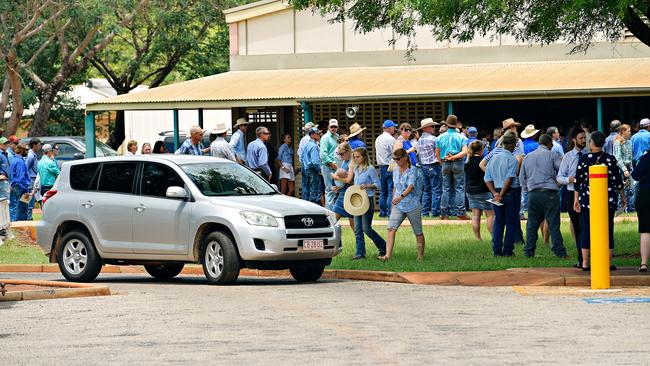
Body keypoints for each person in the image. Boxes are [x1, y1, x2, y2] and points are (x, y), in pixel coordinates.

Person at [574, 131, 626, 271]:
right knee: (608, 228)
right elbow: (617, 180)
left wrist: (576, 199)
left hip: (587, 198)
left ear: (591, 143)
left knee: (586, 229)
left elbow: (578, 181)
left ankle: (585, 262)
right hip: (607, 199)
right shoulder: (610, 159)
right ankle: (607, 263)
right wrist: (623, 196)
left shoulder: (584, 159)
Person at [519, 134, 567, 258]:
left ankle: (529, 251)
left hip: (533, 193)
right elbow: (562, 171)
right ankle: (559, 252)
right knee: (553, 224)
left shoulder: (528, 157)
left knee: (532, 224)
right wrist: (558, 185)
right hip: (550, 192)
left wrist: (527, 190)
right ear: (550, 144)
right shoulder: (552, 155)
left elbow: (521, 178)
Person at [379, 148, 424, 262]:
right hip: (398, 205)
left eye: (398, 159)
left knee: (417, 232)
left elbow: (411, 186)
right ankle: (387, 256)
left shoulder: (412, 170)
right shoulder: (395, 170)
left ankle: (420, 256)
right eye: (394, 159)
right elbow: (395, 187)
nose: (396, 161)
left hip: (412, 204)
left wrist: (400, 197)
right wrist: (394, 201)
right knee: (390, 228)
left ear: (405, 158)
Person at [484, 131, 519, 257]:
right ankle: (508, 250)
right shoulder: (512, 159)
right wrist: (502, 194)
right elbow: (509, 179)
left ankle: (496, 250)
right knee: (510, 223)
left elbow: (487, 178)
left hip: (496, 191)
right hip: (509, 192)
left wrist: (495, 193)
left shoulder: (493, 158)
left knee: (499, 221)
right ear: (513, 145)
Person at [557, 128, 588, 268]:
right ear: (574, 140)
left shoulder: (588, 155)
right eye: (581, 138)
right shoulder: (568, 156)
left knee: (586, 226)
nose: (583, 141)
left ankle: (586, 258)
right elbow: (559, 177)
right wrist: (569, 179)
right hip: (571, 193)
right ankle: (580, 258)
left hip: (587, 194)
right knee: (577, 226)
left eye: (585, 138)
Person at [436, 114, 469, 220]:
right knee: (459, 188)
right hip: (458, 162)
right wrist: (454, 157)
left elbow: (437, 153)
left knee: (446, 188)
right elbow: (465, 152)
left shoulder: (440, 137)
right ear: (456, 125)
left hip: (445, 162)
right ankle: (460, 213)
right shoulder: (461, 137)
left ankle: (444, 213)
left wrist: (443, 162)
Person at [465, 140, 494, 240]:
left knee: (475, 215)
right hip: (484, 190)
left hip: (471, 190)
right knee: (490, 215)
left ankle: (478, 238)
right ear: (481, 149)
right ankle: (493, 237)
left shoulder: (468, 162)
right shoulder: (484, 162)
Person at [417, 118, 442, 218]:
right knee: (436, 190)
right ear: (426, 128)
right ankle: (435, 212)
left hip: (424, 166)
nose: (434, 128)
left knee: (426, 190)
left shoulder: (420, 139)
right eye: (432, 126)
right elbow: (437, 153)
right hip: (433, 165)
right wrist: (440, 163)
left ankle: (425, 212)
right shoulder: (433, 139)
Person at [631, 151, 650, 272]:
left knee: (645, 230)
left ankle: (644, 263)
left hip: (646, 194)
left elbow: (635, 175)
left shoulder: (646, 157)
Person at [375, 120, 398, 217]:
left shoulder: (378, 138)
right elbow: (395, 153)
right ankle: (389, 212)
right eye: (393, 127)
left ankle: (382, 212)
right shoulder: (391, 139)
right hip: (390, 166)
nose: (394, 129)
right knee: (390, 190)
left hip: (381, 167)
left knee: (383, 191)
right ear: (389, 128)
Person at [320, 119, 340, 210]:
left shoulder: (337, 137)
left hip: (336, 166)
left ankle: (333, 215)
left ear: (337, 127)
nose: (333, 128)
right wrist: (332, 164)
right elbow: (323, 155)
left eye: (335, 126)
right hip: (328, 166)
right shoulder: (325, 137)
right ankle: (330, 217)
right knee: (330, 190)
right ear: (328, 127)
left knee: (335, 190)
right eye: (331, 126)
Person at [613, 124, 634, 211]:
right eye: (628, 131)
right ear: (623, 131)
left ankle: (629, 209)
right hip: (621, 168)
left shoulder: (629, 142)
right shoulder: (618, 142)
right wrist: (624, 170)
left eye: (630, 131)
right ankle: (620, 209)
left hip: (629, 167)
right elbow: (618, 157)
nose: (629, 133)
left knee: (630, 189)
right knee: (622, 189)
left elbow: (630, 157)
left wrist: (631, 167)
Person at [300, 127, 322, 204]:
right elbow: (315, 161)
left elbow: (301, 157)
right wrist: (319, 170)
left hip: (306, 169)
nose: (319, 134)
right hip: (313, 170)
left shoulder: (307, 144)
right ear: (312, 135)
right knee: (315, 192)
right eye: (317, 133)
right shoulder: (314, 146)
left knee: (307, 191)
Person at [10, 143, 30, 222]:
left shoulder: (14, 159)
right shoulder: (20, 162)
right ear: (21, 150)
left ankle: (15, 225)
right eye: (26, 150)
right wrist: (25, 189)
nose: (27, 152)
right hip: (21, 187)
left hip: (16, 186)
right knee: (22, 209)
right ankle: (20, 228)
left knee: (16, 207)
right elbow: (20, 177)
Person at [297, 122, 315, 200]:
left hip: (303, 165)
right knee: (312, 186)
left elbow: (299, 152)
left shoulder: (303, 139)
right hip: (309, 165)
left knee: (305, 185)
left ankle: (305, 202)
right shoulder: (309, 140)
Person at [25, 138, 41, 220]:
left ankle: (29, 218)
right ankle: (29, 219)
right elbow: (26, 169)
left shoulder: (33, 155)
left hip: (33, 181)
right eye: (38, 145)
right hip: (31, 182)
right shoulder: (30, 156)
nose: (40, 147)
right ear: (34, 145)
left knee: (31, 203)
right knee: (29, 203)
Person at [0, 138, 12, 238]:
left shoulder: (5, 153)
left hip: (6, 181)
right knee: (3, 205)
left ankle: (5, 229)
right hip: (2, 181)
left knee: (6, 204)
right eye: (5, 143)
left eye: (7, 143)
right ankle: (3, 230)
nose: (7, 145)